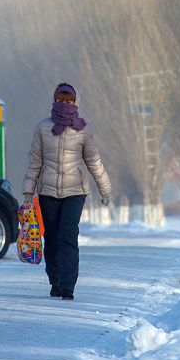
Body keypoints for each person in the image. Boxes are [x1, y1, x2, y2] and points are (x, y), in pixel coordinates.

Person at [22, 82, 111, 301]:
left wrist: (104, 188)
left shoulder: (83, 129)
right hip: (47, 191)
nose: (64, 104)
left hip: (75, 192)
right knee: (51, 238)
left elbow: (93, 161)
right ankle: (55, 281)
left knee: (68, 236)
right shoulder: (43, 127)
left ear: (75, 102)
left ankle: (68, 286)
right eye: (60, 100)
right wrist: (28, 192)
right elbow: (35, 162)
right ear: (54, 101)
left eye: (68, 100)